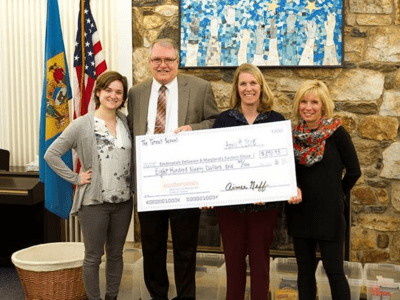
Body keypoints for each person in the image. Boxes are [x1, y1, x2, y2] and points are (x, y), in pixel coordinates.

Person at [127, 38, 219, 300]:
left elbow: (215, 121)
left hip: (184, 182)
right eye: (157, 59)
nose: (163, 65)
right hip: (149, 183)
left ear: (178, 62)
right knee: (152, 247)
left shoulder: (200, 88)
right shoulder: (136, 92)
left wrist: (194, 129)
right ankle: (158, 295)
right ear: (149, 62)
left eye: (169, 60)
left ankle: (186, 297)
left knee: (185, 247)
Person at [212, 63, 301, 300]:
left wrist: (278, 189)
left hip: (265, 207)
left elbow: (285, 163)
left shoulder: (276, 121)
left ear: (261, 87)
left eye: (253, 83)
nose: (248, 88)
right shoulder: (223, 120)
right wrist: (207, 192)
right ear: (236, 88)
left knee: (261, 264)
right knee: (233, 263)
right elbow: (214, 163)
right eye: (243, 83)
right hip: (230, 207)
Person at [44, 71, 132, 300]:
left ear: (123, 97)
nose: (113, 95)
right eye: (108, 90)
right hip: (94, 203)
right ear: (99, 92)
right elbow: (51, 154)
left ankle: (111, 297)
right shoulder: (82, 124)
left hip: (123, 202)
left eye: (118, 92)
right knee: (93, 256)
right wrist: (76, 178)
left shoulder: (125, 122)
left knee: (116, 255)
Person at [286, 79, 361, 300]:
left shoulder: (336, 133)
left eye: (314, 102)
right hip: (299, 213)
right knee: (304, 273)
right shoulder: (291, 136)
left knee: (335, 272)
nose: (308, 107)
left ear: (323, 105)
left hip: (329, 215)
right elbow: (285, 172)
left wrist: (337, 193)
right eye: (303, 101)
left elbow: (354, 171)